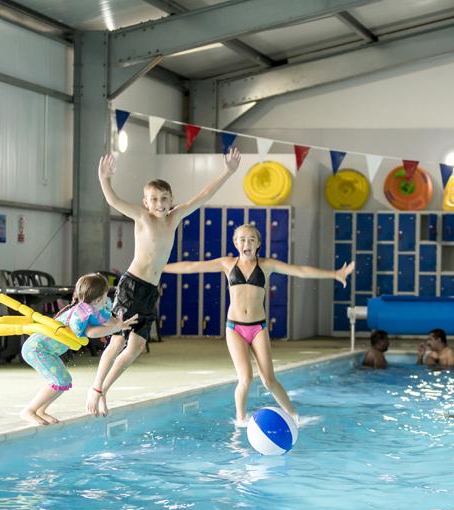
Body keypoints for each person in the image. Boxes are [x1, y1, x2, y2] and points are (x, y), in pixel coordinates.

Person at [87, 148, 241, 416]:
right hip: (132, 285)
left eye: (164, 199)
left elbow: (204, 195)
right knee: (117, 342)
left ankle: (104, 389)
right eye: (154, 199)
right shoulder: (142, 217)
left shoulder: (174, 218)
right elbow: (113, 201)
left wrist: (227, 171)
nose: (159, 203)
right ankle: (96, 388)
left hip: (149, 291)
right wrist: (105, 179)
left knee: (135, 347)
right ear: (145, 202)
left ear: (171, 200)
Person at [164, 223, 354, 425]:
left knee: (269, 379)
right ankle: (240, 420)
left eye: (251, 239)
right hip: (235, 328)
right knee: (245, 379)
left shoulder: (266, 265)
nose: (247, 243)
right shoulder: (227, 264)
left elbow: (299, 271)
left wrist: (334, 274)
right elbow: (191, 266)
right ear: (235, 243)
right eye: (242, 239)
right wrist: (159, 268)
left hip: (258, 328)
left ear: (258, 244)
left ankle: (294, 416)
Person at [20, 274, 137, 425]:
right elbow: (91, 332)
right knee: (61, 381)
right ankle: (29, 410)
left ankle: (40, 410)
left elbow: (108, 319)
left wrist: (120, 324)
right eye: (105, 295)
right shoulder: (80, 314)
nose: (106, 298)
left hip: (48, 351)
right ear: (98, 299)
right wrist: (114, 328)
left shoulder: (94, 307)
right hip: (37, 349)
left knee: (63, 381)